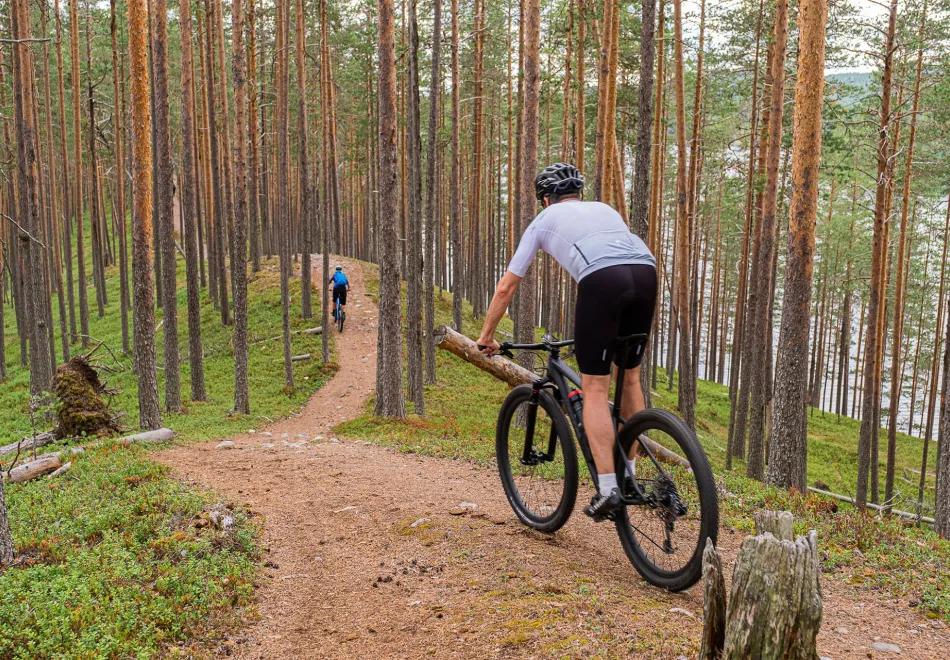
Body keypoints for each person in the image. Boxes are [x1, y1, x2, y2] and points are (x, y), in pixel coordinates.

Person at [476, 162, 657, 521]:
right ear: (578, 194)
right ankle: (630, 476)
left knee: (594, 388)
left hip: (603, 280)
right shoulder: (605, 209)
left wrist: (486, 337)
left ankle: (609, 491)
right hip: (647, 272)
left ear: (546, 199)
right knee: (630, 377)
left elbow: (506, 286)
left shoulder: (543, 221)